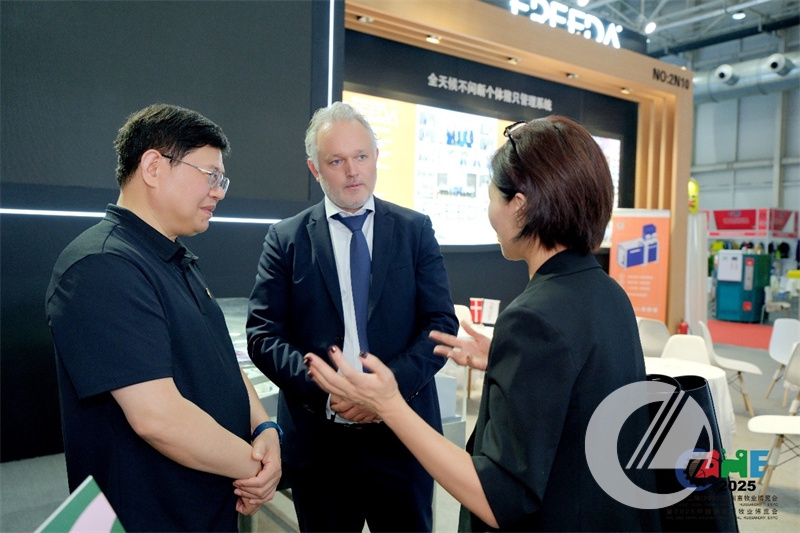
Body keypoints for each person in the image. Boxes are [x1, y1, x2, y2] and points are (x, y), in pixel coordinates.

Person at [306, 115, 661, 531]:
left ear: (520, 206)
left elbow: (499, 498)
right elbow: (579, 400)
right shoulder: (607, 292)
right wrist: (509, 363)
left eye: (492, 196)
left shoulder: (534, 318)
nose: (489, 211)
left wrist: (390, 404)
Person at [46, 104, 282, 532]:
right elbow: (158, 418)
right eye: (210, 175)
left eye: (222, 180)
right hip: (148, 515)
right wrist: (257, 467)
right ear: (153, 167)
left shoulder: (174, 259)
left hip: (203, 503)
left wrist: (264, 427)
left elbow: (221, 363)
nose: (219, 192)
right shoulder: (102, 265)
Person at [246, 101, 458, 532]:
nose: (352, 171)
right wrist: (330, 390)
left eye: (361, 156)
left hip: (403, 438)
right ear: (315, 169)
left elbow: (440, 324)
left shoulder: (415, 230)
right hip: (320, 443)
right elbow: (263, 335)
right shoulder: (286, 239)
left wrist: (383, 392)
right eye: (336, 161)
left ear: (376, 157)